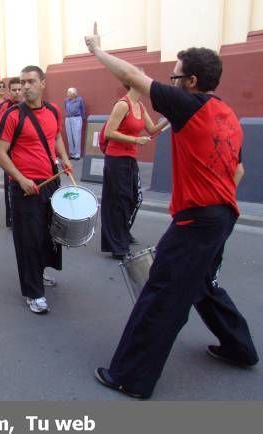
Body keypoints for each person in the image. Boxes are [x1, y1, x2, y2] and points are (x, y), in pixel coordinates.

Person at [85, 26, 259, 399]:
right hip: (222, 216)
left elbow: (132, 76)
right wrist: (217, 196)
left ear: (192, 81)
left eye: (175, 76)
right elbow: (238, 171)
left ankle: (130, 378)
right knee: (203, 284)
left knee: (162, 295)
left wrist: (97, 51)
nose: (171, 82)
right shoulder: (226, 113)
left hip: (196, 222)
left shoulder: (188, 103)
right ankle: (240, 348)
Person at [0, 66, 73, 314]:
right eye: (22, 82)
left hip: (51, 182)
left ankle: (39, 273)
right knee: (28, 240)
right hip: (26, 187)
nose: (25, 86)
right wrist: (20, 179)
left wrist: (64, 158)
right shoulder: (12, 116)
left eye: (30, 81)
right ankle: (33, 292)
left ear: (42, 83)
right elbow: (0, 153)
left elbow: (56, 136)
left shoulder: (53, 110)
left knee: (49, 235)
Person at [101, 84, 167, 259]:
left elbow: (152, 129)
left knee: (134, 198)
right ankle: (118, 246)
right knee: (119, 202)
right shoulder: (123, 105)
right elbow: (109, 132)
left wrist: (169, 116)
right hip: (116, 159)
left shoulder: (140, 105)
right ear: (134, 83)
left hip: (129, 158)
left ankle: (122, 232)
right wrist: (136, 139)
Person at [0, 77, 22, 228]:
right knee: (10, 186)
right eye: (14, 90)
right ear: (9, 91)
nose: (17, 92)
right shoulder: (4, 106)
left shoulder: (29, 105)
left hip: (25, 154)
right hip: (9, 153)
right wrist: (3, 141)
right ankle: (12, 219)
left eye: (19, 89)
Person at [64, 87, 85, 160]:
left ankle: (77, 154)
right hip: (68, 119)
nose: (67, 94)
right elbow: (65, 109)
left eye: (69, 93)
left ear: (73, 94)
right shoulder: (66, 100)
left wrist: (82, 118)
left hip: (77, 118)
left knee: (77, 137)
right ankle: (72, 154)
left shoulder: (79, 99)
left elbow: (83, 109)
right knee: (70, 137)